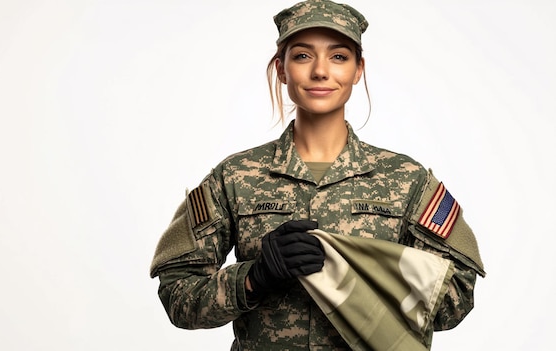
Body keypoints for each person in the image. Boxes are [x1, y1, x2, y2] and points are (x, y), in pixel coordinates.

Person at [149, 0, 485, 349]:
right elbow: (177, 296)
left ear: (358, 70)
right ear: (281, 69)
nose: (321, 71)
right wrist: (254, 278)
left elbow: (455, 297)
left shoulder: (406, 180)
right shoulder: (233, 177)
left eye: (338, 56)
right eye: (303, 56)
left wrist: (371, 274)